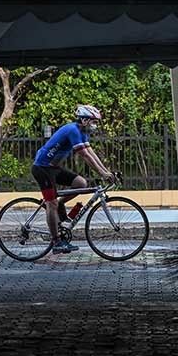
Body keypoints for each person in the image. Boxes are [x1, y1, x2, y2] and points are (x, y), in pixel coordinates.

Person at [32, 105, 115, 254]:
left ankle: (60, 206)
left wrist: (106, 172)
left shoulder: (83, 133)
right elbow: (85, 156)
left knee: (81, 183)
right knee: (51, 203)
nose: (96, 125)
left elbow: (91, 153)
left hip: (54, 168)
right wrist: (103, 174)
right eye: (94, 121)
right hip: (42, 168)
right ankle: (56, 242)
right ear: (84, 120)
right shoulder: (73, 130)